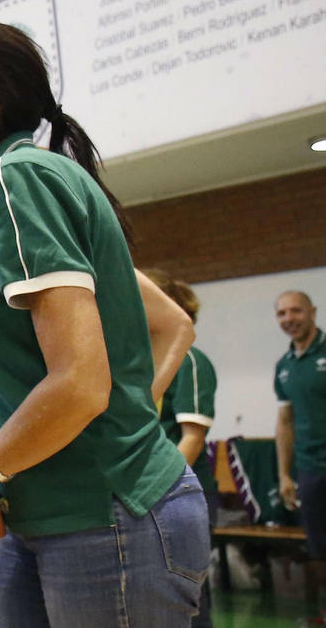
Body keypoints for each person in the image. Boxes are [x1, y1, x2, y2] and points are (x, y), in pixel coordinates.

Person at [0, 18, 205, 628]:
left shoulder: (24, 180)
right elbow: (167, 323)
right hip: (39, 512)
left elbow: (80, 383)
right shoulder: (10, 190)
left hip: (106, 515)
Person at [146, 269, 218, 628]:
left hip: (181, 494)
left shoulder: (189, 360)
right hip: (154, 495)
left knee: (188, 597)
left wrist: (153, 489)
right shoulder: (144, 361)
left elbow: (192, 436)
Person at [275, 289, 326, 624]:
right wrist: (284, 473)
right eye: (281, 314)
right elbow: (285, 421)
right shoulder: (284, 367)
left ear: (313, 311)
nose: (289, 319)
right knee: (319, 546)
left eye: (295, 311)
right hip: (310, 469)